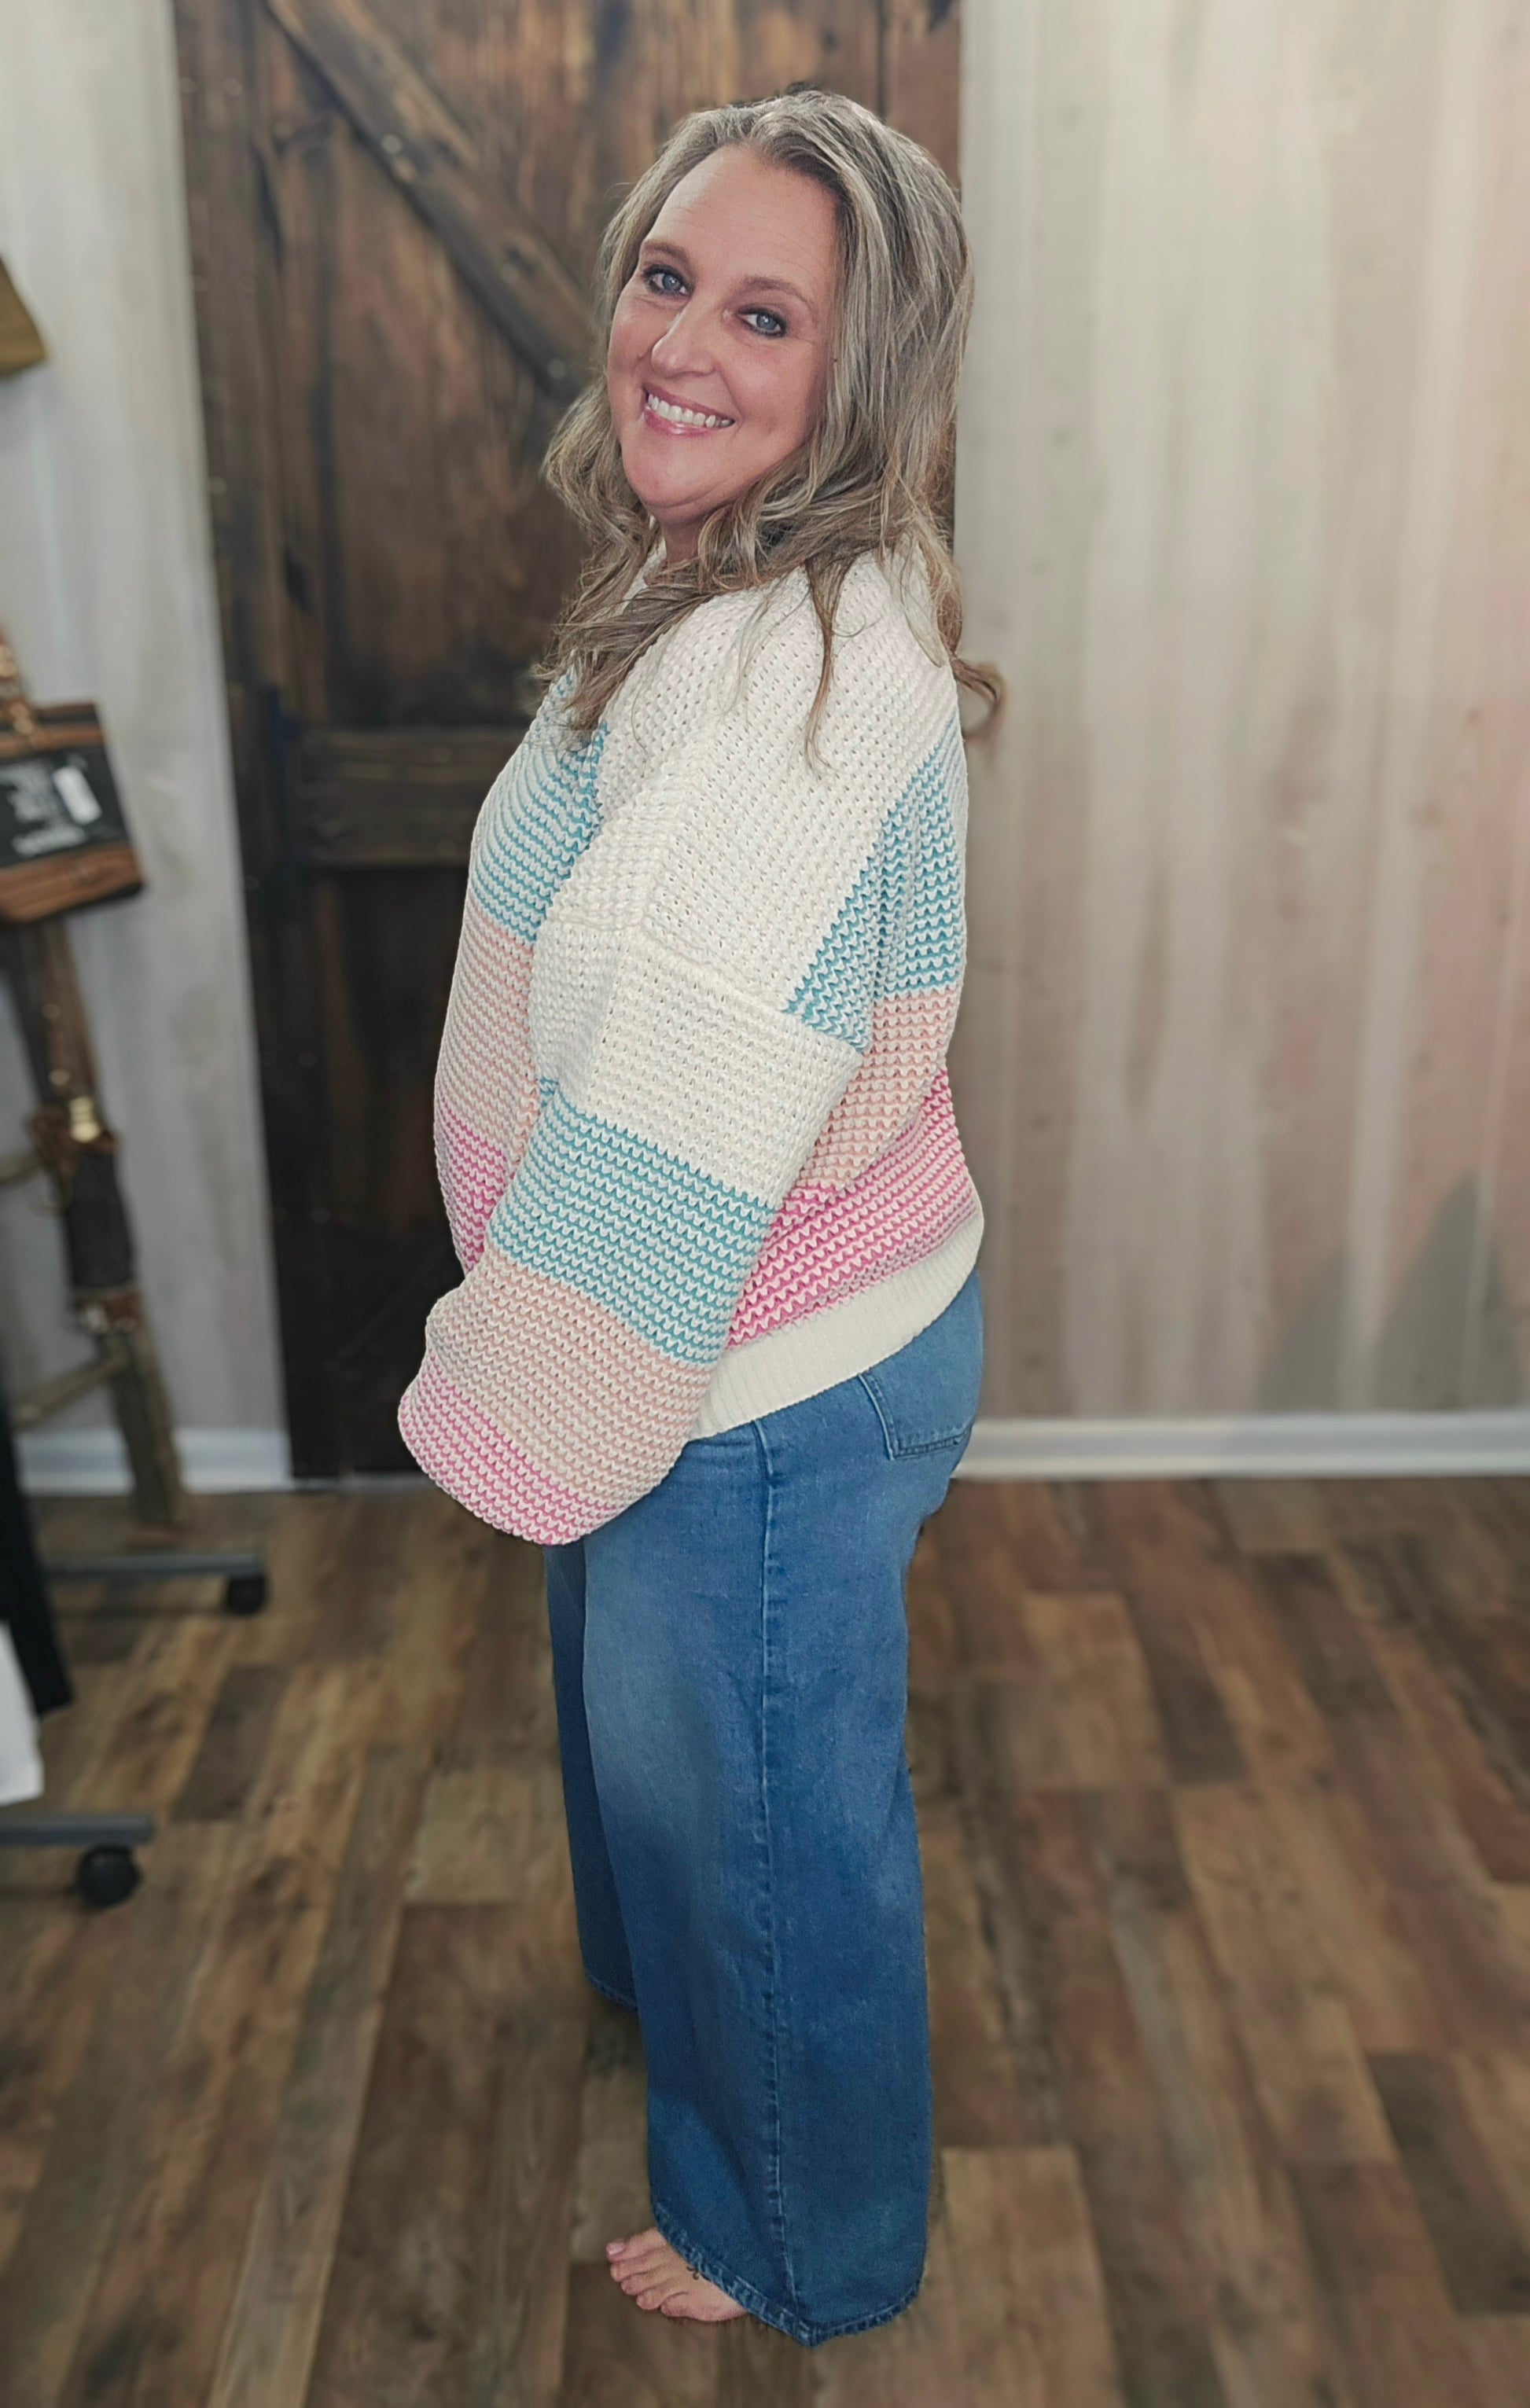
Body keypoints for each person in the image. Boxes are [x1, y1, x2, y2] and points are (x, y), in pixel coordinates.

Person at [398, 83, 999, 2349]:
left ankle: (801, 2241)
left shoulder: (784, 692)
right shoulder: (721, 585)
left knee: (769, 1837)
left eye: (766, 316)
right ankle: (694, 2031)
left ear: (860, 373)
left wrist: (519, 1396)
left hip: (739, 1374)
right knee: (687, 1790)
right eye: (669, 280)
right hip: (748, 1340)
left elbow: (674, 1112)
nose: (681, 345)